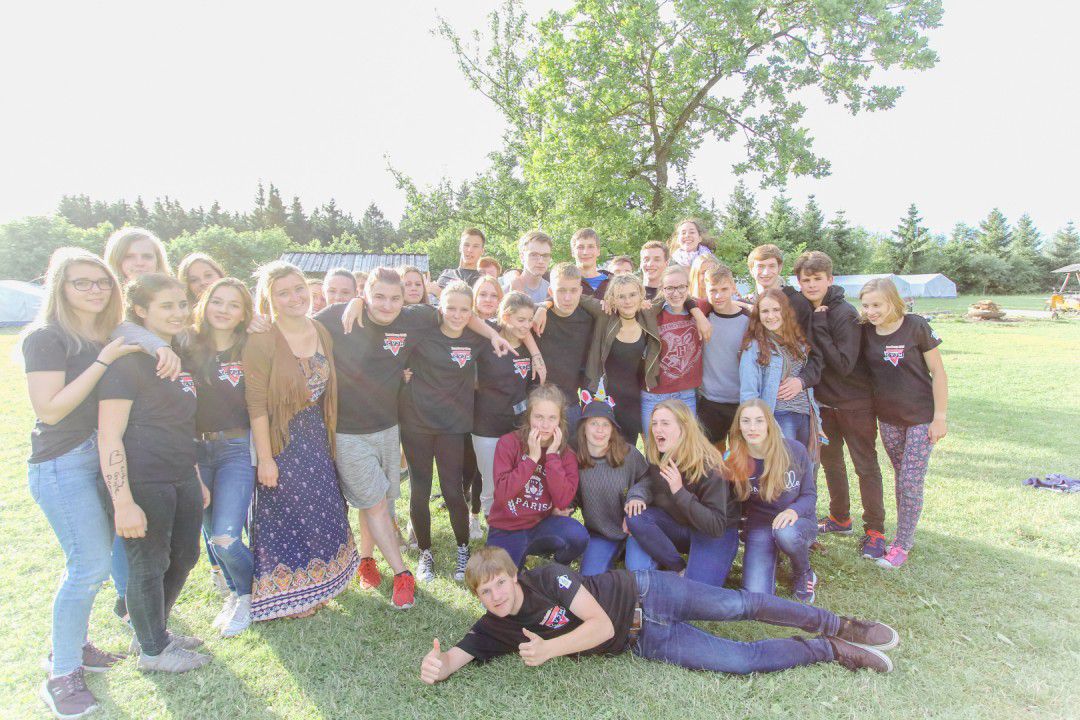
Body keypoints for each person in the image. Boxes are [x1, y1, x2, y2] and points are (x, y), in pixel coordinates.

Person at [419, 545, 899, 683]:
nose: (497, 595)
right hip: (644, 640)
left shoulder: (546, 578)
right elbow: (458, 657)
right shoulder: (494, 624)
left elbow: (599, 626)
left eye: (501, 583)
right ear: (479, 596)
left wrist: (549, 649)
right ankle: (828, 649)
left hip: (649, 592)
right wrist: (438, 666)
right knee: (739, 661)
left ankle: (838, 623)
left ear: (514, 576)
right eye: (486, 591)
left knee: (740, 604)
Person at [24, 249, 137, 717]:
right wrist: (104, 362)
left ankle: (73, 645)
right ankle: (61, 675)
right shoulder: (47, 338)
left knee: (91, 563)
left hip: (101, 456)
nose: (95, 290)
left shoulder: (105, 333)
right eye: (82, 282)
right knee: (87, 566)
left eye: (102, 282)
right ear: (60, 287)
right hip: (63, 462)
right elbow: (49, 409)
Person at [318, 267, 454, 610]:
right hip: (348, 432)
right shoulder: (337, 316)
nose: (387, 305)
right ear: (365, 293)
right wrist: (351, 303)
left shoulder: (413, 318)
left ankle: (366, 560)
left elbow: (458, 310)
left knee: (375, 501)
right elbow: (293, 326)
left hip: (389, 428)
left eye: (395, 298)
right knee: (377, 504)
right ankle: (402, 573)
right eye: (378, 296)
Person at [97, 273, 211, 672]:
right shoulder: (127, 363)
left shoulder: (175, 358)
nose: (178, 312)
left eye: (181, 304)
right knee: (149, 562)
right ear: (140, 310)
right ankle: (153, 651)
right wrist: (122, 501)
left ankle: (153, 629)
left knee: (186, 555)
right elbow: (109, 436)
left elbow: (182, 425)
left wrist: (195, 476)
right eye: (166, 306)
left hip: (182, 473)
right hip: (144, 479)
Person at [244, 262, 359, 620]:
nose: (294, 297)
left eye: (299, 289)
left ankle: (322, 583)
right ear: (269, 299)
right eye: (283, 292)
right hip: (280, 438)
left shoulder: (320, 328)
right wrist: (266, 458)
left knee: (323, 508)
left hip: (316, 434)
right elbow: (256, 405)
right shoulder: (262, 338)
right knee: (286, 513)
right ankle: (287, 593)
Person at [398, 281, 514, 582]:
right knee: (420, 490)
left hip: (452, 426)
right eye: (451, 308)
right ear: (440, 308)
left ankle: (463, 548)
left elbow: (516, 326)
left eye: (464, 310)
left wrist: (513, 342)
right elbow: (390, 344)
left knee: (453, 490)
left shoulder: (477, 337)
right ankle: (425, 552)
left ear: (472, 312)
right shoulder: (423, 330)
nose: (457, 315)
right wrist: (400, 373)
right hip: (416, 423)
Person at [794, 251, 886, 559]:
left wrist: (820, 325)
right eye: (805, 280)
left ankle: (875, 531)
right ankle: (840, 518)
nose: (811, 285)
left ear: (830, 279)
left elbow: (844, 364)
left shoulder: (843, 313)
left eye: (817, 279)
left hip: (855, 403)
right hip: (825, 403)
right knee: (832, 464)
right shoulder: (808, 308)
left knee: (865, 466)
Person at [182, 278, 257, 636]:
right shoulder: (186, 345)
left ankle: (249, 595)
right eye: (217, 301)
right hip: (194, 450)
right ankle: (237, 592)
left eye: (233, 304)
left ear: (244, 313)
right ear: (204, 304)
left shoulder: (251, 345)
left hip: (236, 449)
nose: (224, 310)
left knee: (227, 538)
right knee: (213, 537)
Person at [859, 278, 948, 570]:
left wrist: (940, 417)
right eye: (866, 306)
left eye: (877, 305)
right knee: (901, 478)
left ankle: (902, 545)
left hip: (921, 418)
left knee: (910, 481)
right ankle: (903, 534)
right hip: (888, 419)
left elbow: (938, 372)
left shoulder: (915, 326)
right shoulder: (866, 332)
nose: (871, 311)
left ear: (892, 301)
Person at [623, 400, 739, 586]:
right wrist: (635, 497)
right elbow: (650, 482)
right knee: (635, 517)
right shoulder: (658, 455)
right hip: (681, 525)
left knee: (697, 592)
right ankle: (679, 568)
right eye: (655, 423)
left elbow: (716, 525)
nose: (657, 429)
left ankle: (696, 571)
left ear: (683, 428)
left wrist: (679, 492)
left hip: (714, 532)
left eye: (665, 423)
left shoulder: (709, 465)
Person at [487, 384, 589, 568]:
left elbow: (563, 501)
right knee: (505, 579)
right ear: (529, 417)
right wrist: (532, 459)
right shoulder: (508, 443)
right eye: (539, 417)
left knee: (577, 536)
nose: (545, 425)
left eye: (552, 418)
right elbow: (502, 495)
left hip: (541, 524)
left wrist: (552, 457)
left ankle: (557, 565)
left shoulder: (566, 455)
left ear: (560, 420)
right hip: (507, 527)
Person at [728, 400, 819, 603]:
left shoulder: (794, 450)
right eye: (746, 421)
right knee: (756, 597)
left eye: (759, 421)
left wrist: (793, 511)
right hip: (761, 525)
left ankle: (803, 572)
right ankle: (771, 557)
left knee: (785, 532)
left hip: (797, 522)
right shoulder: (735, 460)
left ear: (769, 423)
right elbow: (734, 504)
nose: (752, 427)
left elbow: (809, 495)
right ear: (738, 426)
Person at [471, 292, 540, 531]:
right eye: (521, 319)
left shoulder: (530, 345)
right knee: (491, 482)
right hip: (486, 425)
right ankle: (493, 528)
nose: (526, 325)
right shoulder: (487, 337)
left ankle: (515, 527)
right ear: (506, 316)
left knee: (517, 480)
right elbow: (466, 316)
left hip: (518, 427)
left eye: (529, 320)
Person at [574, 384, 649, 575]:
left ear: (612, 429)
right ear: (584, 428)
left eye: (605, 424)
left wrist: (637, 496)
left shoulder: (629, 454)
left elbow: (649, 479)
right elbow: (573, 495)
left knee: (637, 572)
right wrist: (565, 506)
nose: (600, 430)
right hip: (602, 534)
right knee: (590, 578)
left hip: (635, 528)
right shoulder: (576, 461)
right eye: (594, 423)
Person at [739, 288, 821, 453]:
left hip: (806, 415)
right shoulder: (754, 347)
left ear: (785, 311)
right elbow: (749, 393)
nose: (771, 316)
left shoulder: (798, 341)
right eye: (765, 311)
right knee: (785, 465)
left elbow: (808, 387)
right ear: (758, 315)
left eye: (776, 310)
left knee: (806, 466)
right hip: (780, 416)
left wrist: (817, 423)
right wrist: (758, 425)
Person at [583, 273, 657, 444]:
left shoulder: (647, 315)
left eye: (633, 295)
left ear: (641, 295)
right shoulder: (605, 314)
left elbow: (676, 296)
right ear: (612, 299)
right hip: (605, 396)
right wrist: (544, 305)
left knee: (629, 448)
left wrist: (695, 310)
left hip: (633, 399)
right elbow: (572, 295)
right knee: (603, 448)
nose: (627, 301)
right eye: (621, 296)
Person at [532, 263, 605, 435]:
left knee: (571, 450)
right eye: (561, 291)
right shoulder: (537, 316)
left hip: (570, 403)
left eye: (573, 291)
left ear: (581, 291)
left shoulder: (588, 320)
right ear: (551, 291)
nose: (567, 297)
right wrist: (543, 307)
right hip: (536, 402)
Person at [638, 265, 709, 434]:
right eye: (669, 288)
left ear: (688, 287)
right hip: (655, 395)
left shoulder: (701, 307)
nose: (676, 293)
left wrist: (699, 315)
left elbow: (726, 303)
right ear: (662, 288)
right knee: (654, 446)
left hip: (686, 394)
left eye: (681, 287)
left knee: (685, 445)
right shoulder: (651, 313)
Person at [697, 264, 749, 447]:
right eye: (713, 290)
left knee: (740, 458)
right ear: (705, 290)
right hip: (710, 400)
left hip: (740, 400)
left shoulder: (748, 320)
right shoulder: (702, 317)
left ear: (733, 288)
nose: (718, 296)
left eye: (724, 289)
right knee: (712, 458)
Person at [103, 227, 172, 284]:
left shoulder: (174, 294)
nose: (139, 263)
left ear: (158, 261)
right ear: (115, 259)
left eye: (147, 256)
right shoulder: (101, 294)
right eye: (129, 257)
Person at [502, 230, 553, 303]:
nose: (541, 261)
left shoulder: (554, 292)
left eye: (545, 255)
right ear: (522, 257)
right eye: (534, 255)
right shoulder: (504, 292)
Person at [434, 228, 486, 295]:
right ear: (460, 247)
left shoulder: (482, 281)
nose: (470, 250)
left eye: (475, 246)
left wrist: (439, 292)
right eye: (466, 245)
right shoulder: (446, 275)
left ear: (482, 251)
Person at [571, 228, 611, 299]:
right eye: (580, 247)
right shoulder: (564, 282)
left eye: (591, 247)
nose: (585, 252)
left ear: (598, 251)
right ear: (573, 252)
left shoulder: (613, 282)